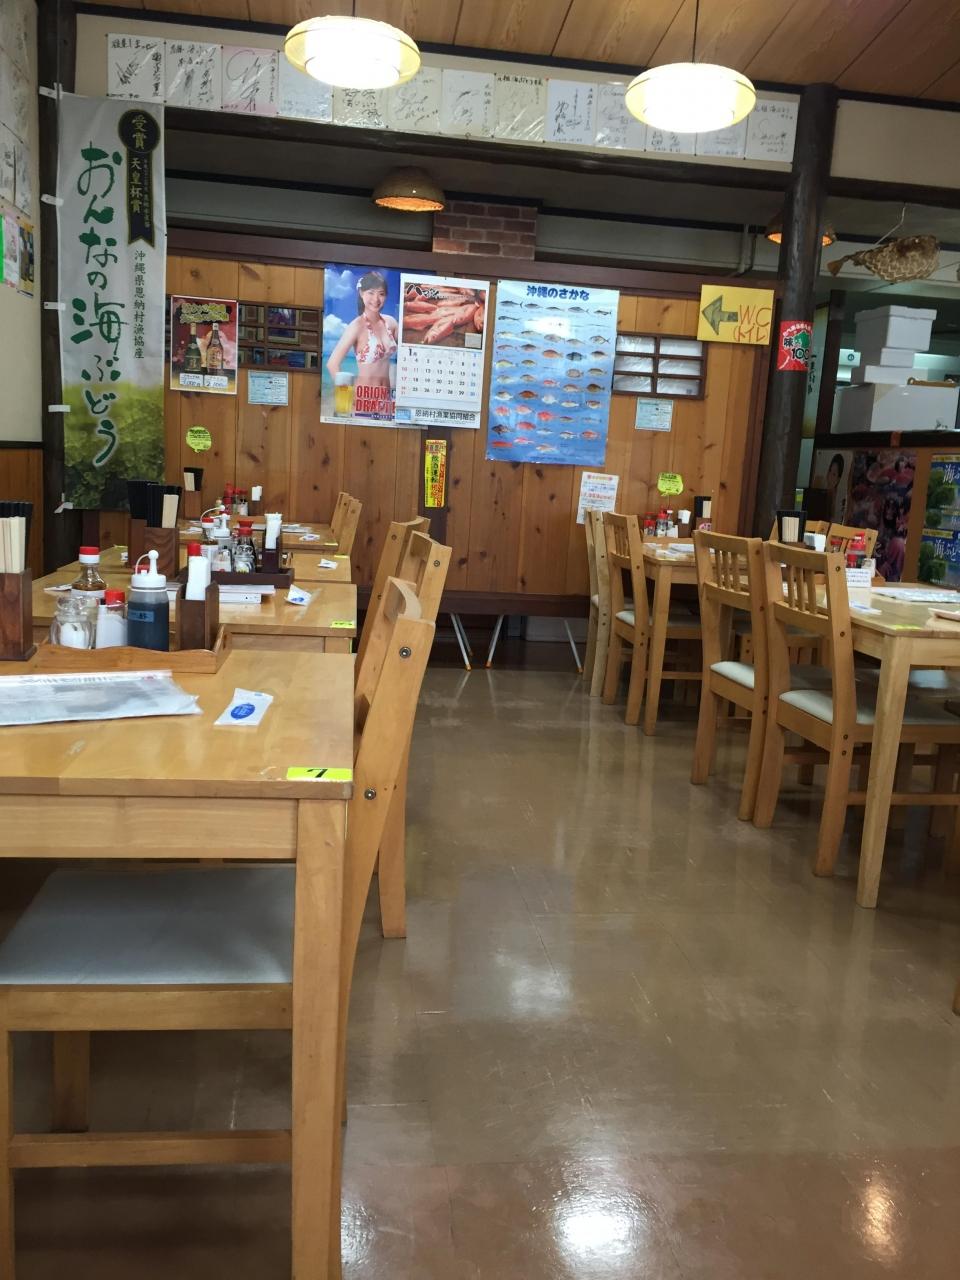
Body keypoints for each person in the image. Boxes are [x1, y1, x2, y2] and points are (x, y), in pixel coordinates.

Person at [325, 270, 398, 394]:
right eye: (371, 293)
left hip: (386, 398)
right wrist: (348, 395)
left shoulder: (391, 323)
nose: (376, 299)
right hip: (363, 398)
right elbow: (332, 364)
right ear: (361, 293)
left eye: (381, 294)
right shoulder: (357, 326)